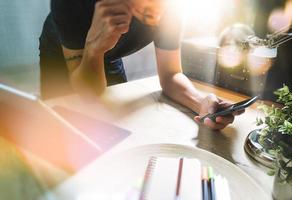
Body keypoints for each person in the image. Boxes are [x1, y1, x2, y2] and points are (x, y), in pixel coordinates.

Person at [39, 0, 244, 130]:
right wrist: (94, 49)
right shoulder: (71, 4)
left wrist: (202, 102)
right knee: (59, 125)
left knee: (115, 126)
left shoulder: (171, 7)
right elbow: (88, 93)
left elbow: (171, 75)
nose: (159, 14)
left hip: (109, 55)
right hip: (63, 53)